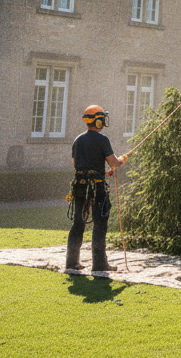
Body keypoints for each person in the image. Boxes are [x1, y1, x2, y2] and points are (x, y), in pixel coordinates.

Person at [66, 104, 127, 273]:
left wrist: (100, 171)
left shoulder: (78, 140)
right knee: (100, 223)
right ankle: (99, 264)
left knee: (78, 222)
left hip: (80, 187)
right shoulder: (102, 140)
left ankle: (71, 262)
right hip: (97, 188)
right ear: (98, 121)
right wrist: (122, 160)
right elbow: (114, 162)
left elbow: (76, 164)